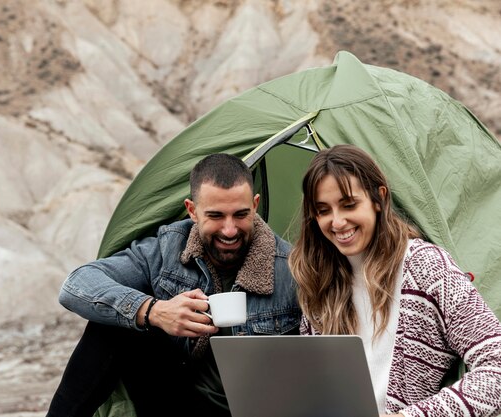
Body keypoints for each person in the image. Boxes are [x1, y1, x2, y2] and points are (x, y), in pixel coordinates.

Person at [47, 153, 300, 417]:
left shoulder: (290, 269)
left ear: (255, 205)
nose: (229, 230)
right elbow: (76, 285)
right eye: (215, 215)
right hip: (177, 402)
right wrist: (154, 311)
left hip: (253, 408)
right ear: (192, 210)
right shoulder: (166, 250)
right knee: (114, 323)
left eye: (240, 215)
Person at [288, 144, 501, 417]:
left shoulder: (426, 267)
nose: (338, 222)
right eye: (323, 210)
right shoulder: (317, 282)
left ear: (379, 199)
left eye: (349, 204)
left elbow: (496, 364)